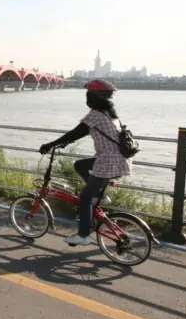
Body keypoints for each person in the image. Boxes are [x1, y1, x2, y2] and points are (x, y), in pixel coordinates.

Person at [38, 79, 132, 246]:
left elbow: (75, 133)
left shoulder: (95, 115)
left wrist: (50, 145)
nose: (85, 99)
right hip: (119, 159)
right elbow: (81, 134)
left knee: (85, 198)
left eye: (87, 95)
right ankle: (101, 196)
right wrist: (65, 142)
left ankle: (83, 235)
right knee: (80, 165)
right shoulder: (110, 114)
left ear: (93, 97)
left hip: (108, 161)